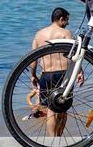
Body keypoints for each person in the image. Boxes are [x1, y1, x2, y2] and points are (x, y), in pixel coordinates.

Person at [29, 8, 74, 137]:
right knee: (63, 108)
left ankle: (51, 140)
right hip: (63, 74)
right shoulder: (66, 33)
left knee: (50, 109)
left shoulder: (39, 34)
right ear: (60, 19)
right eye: (67, 20)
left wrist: (32, 75)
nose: (68, 23)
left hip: (46, 74)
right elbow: (74, 55)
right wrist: (80, 71)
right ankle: (59, 137)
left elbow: (33, 59)